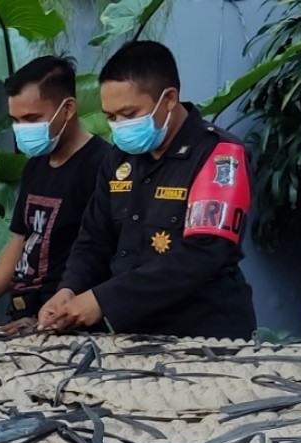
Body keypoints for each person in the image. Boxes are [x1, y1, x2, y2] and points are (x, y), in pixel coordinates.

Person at [38, 40, 257, 338]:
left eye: (129, 114)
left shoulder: (219, 155)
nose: (119, 126)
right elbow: (93, 239)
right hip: (132, 334)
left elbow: (203, 254)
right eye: (111, 117)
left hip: (206, 332)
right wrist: (69, 289)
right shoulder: (117, 159)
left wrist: (103, 300)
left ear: (168, 99)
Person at [0, 56, 105, 331]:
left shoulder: (102, 165)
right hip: (21, 318)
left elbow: (100, 253)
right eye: (16, 120)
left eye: (32, 118)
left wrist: (58, 316)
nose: (23, 129)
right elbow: (20, 242)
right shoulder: (36, 165)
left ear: (67, 109)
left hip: (65, 323)